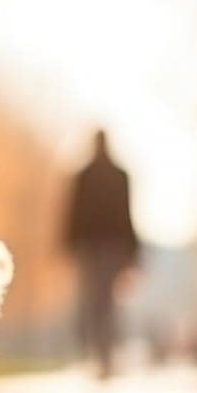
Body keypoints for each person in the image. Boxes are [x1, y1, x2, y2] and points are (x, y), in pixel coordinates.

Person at [62, 130, 140, 379]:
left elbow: (73, 213)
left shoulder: (84, 176)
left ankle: (98, 355)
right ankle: (104, 357)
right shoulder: (120, 176)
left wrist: (68, 245)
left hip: (90, 248)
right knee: (106, 304)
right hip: (112, 249)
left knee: (92, 302)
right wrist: (133, 253)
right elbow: (127, 216)